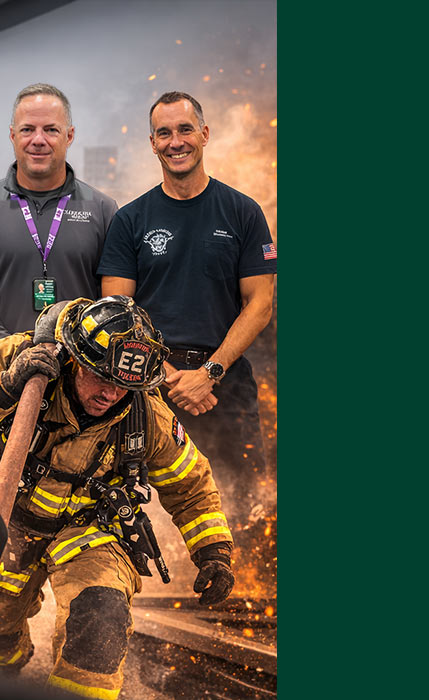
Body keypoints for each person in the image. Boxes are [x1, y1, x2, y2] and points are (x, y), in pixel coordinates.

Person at [0, 297, 235, 700]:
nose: (111, 394)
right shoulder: (21, 356)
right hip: (5, 520)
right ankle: (4, 674)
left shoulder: (146, 416)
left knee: (99, 617)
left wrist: (214, 552)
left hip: (87, 531)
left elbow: (191, 487)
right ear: (75, 360)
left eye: (125, 385)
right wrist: (5, 386)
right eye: (101, 378)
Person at [97, 91, 276, 521]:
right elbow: (116, 312)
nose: (175, 141)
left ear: (204, 134)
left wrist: (209, 373)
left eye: (184, 130)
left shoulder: (243, 213)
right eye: (164, 133)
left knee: (246, 509)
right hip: (147, 387)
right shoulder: (130, 219)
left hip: (225, 386)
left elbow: (261, 303)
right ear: (153, 143)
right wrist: (169, 377)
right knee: (148, 514)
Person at [0, 84, 121, 350]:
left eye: (51, 130)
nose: (38, 140)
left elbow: (110, 301)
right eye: (27, 129)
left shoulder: (102, 209)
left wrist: (76, 353)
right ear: (13, 135)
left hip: (75, 375)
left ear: (69, 135)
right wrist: (13, 350)